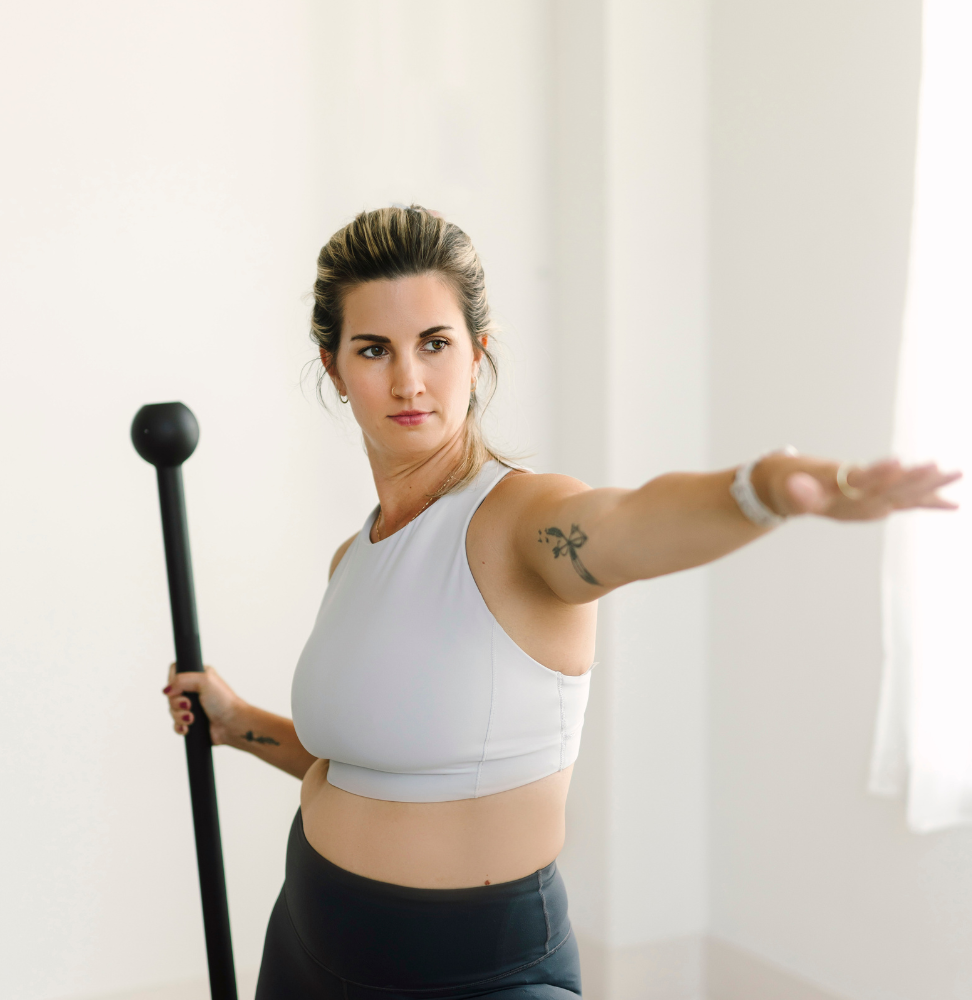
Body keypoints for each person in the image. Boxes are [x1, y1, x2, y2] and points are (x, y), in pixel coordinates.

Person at [162, 205, 959, 999]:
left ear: (477, 352)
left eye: (435, 343)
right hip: (306, 942)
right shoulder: (355, 555)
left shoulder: (519, 521)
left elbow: (626, 525)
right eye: (374, 349)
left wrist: (765, 490)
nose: (408, 380)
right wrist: (239, 724)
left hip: (473, 974)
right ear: (334, 369)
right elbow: (361, 763)